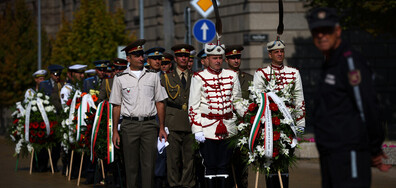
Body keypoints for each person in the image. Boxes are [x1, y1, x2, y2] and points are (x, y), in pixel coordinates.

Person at [307, 7, 391, 188]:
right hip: (330, 153)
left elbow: (369, 107)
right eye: (316, 31)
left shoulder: (350, 61)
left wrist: (375, 149)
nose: (321, 36)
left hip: (349, 152)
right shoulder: (329, 62)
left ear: (338, 31)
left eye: (327, 30)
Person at [110, 39, 168, 188]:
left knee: (149, 166)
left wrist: (161, 127)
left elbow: (160, 102)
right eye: (137, 55)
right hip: (129, 125)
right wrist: (115, 131)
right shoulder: (120, 79)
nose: (141, 58)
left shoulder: (153, 76)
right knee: (131, 167)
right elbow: (116, 106)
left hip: (149, 125)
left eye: (142, 54)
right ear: (128, 58)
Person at [188, 42, 242, 188]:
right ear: (208, 59)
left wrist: (248, 115)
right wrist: (197, 129)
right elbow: (193, 106)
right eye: (214, 58)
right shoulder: (199, 77)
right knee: (211, 166)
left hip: (228, 128)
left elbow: (237, 101)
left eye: (219, 57)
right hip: (207, 128)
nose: (217, 61)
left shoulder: (231, 75)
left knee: (224, 165)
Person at [160, 44, 196, 188]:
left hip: (191, 122)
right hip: (173, 122)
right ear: (175, 58)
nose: (183, 58)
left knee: (190, 159)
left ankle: (188, 185)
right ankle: (174, 185)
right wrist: (162, 126)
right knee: (173, 160)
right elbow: (161, 103)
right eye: (180, 56)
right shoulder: (167, 78)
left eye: (186, 56)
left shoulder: (196, 77)